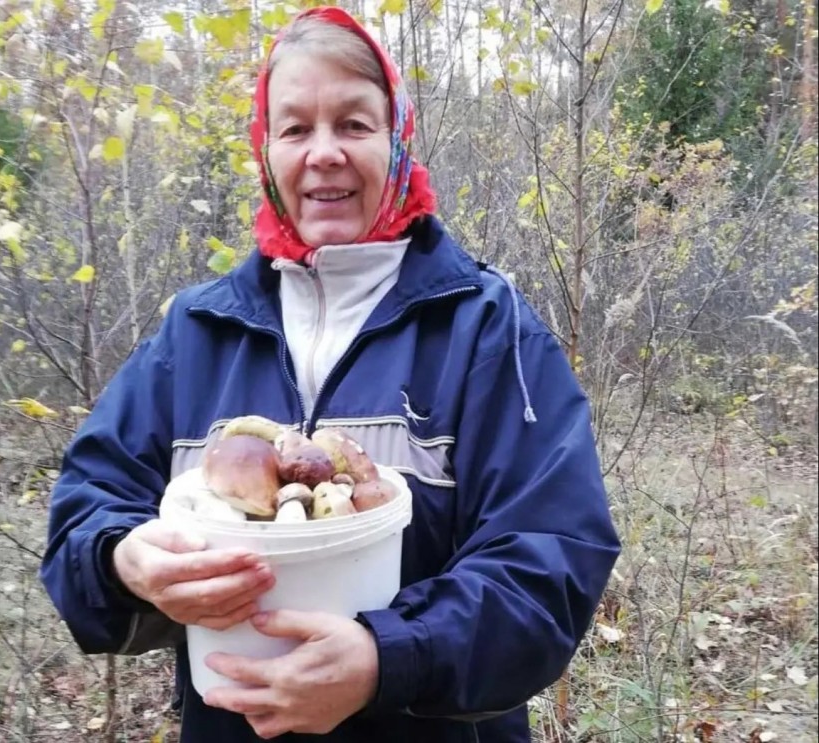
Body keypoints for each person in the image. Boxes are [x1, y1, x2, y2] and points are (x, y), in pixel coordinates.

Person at [40, 6, 621, 742]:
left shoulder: (485, 326)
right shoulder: (196, 335)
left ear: (397, 139)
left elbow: (554, 560)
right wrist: (124, 561)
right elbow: (82, 519)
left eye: (353, 124)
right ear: (266, 149)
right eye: (295, 128)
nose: (324, 153)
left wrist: (388, 657)